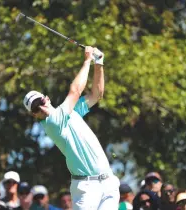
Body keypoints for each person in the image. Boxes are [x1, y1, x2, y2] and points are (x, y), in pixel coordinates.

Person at [23, 46, 120, 210]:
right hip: (86, 188)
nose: (41, 108)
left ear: (47, 98)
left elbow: (97, 94)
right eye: (35, 108)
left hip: (108, 182)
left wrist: (99, 63)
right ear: (34, 115)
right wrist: (87, 60)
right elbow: (75, 90)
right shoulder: (52, 123)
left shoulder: (72, 112)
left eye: (41, 102)